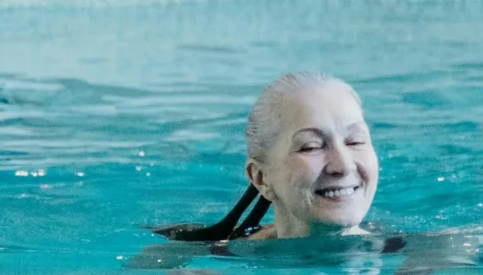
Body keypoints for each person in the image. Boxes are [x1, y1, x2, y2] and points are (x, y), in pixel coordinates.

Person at [157, 72, 381, 243]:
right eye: (311, 147)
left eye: (355, 141)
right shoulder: (205, 266)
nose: (344, 165)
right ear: (261, 178)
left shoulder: (401, 262)